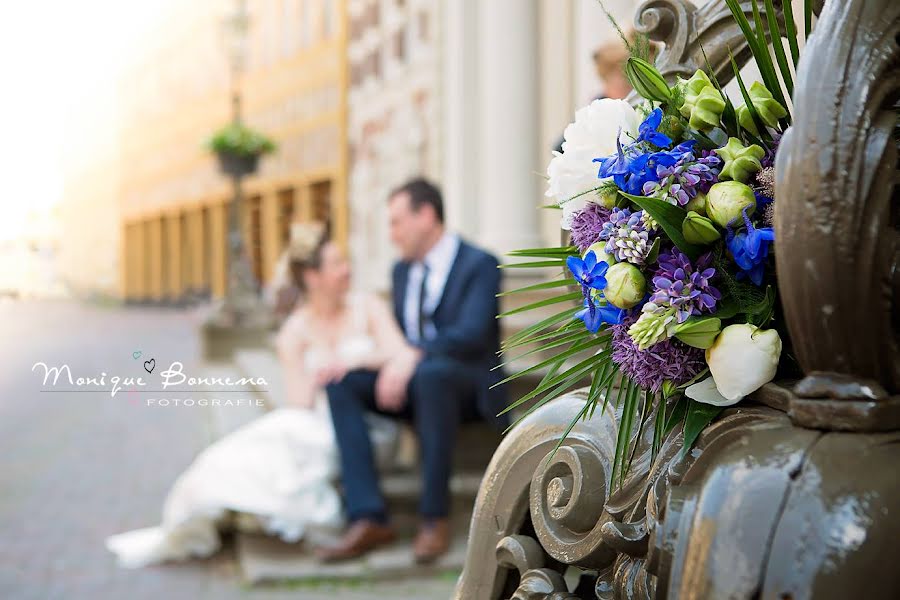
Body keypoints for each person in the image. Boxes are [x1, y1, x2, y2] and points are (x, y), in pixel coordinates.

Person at [105, 222, 402, 568]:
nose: (346, 270)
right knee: (236, 454)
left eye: (344, 261)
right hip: (315, 419)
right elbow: (299, 401)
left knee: (287, 454)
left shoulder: (368, 307)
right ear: (312, 277)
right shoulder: (296, 329)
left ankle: (257, 507)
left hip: (370, 422)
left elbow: (399, 351)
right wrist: (320, 363)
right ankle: (207, 506)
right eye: (336, 264)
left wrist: (356, 361)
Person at [317, 178, 508, 564]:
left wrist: (410, 357)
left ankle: (434, 517)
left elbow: (471, 335)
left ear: (426, 216)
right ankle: (368, 516)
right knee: (343, 383)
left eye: (396, 222)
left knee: (431, 375)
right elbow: (399, 340)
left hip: (467, 387)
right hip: (418, 385)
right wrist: (385, 361)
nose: (392, 234)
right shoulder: (402, 272)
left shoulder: (481, 264)